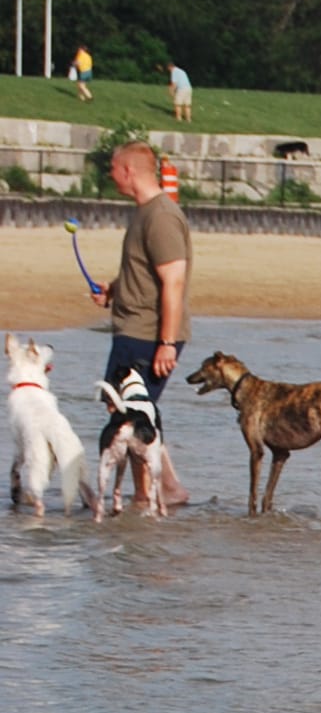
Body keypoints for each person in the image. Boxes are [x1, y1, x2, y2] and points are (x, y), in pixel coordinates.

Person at [91, 140, 191, 508]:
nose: (110, 174)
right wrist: (114, 290)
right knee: (129, 412)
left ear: (128, 171)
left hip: (148, 335)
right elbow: (144, 272)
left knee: (128, 415)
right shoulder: (145, 213)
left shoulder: (161, 216)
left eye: (113, 168)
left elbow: (173, 281)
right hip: (134, 329)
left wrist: (167, 342)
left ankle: (145, 495)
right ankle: (165, 488)